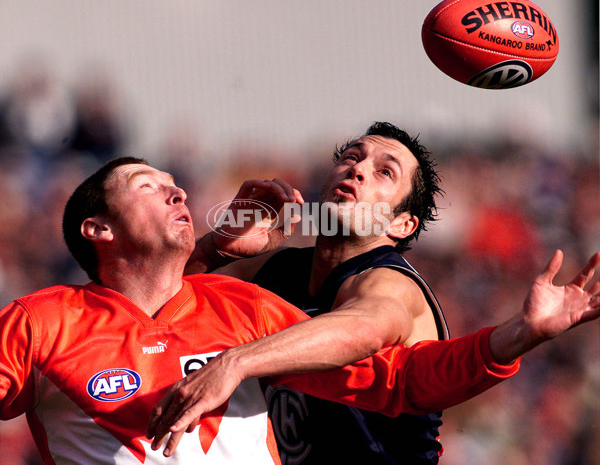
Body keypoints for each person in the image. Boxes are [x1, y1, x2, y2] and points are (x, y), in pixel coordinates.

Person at [0, 156, 549, 464]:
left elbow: (399, 378)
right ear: (98, 229)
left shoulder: (248, 309)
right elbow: (142, 314)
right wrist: (213, 249)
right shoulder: (41, 321)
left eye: (176, 185)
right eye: (149, 187)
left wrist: (518, 334)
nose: (178, 194)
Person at [146, 122, 600, 464]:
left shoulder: (390, 283)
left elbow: (362, 330)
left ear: (402, 224)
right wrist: (215, 248)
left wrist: (236, 362)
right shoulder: (282, 271)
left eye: (385, 172)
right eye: (351, 156)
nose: (358, 168)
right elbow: (155, 306)